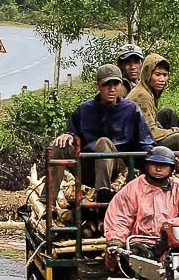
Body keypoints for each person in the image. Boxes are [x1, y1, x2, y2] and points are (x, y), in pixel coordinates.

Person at [102, 145, 179, 279]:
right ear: (147, 166)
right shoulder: (133, 189)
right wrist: (116, 241)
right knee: (134, 259)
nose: (158, 169)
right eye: (154, 164)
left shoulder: (178, 189)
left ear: (171, 168)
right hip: (141, 243)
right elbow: (119, 218)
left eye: (163, 165)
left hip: (171, 245)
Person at [49, 64, 152, 193]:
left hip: (118, 167)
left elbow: (146, 142)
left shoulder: (131, 109)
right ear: (97, 86)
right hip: (88, 165)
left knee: (103, 142)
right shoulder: (84, 110)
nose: (112, 89)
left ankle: (102, 192)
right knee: (60, 144)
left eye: (116, 84)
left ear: (121, 85)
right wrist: (68, 134)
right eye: (106, 85)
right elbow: (73, 132)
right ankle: (47, 201)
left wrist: (152, 162)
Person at [127, 52, 179, 180]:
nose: (162, 79)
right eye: (157, 74)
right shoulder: (142, 95)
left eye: (165, 75)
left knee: (167, 115)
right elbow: (150, 133)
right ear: (148, 75)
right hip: (135, 149)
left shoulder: (148, 92)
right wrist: (172, 131)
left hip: (141, 143)